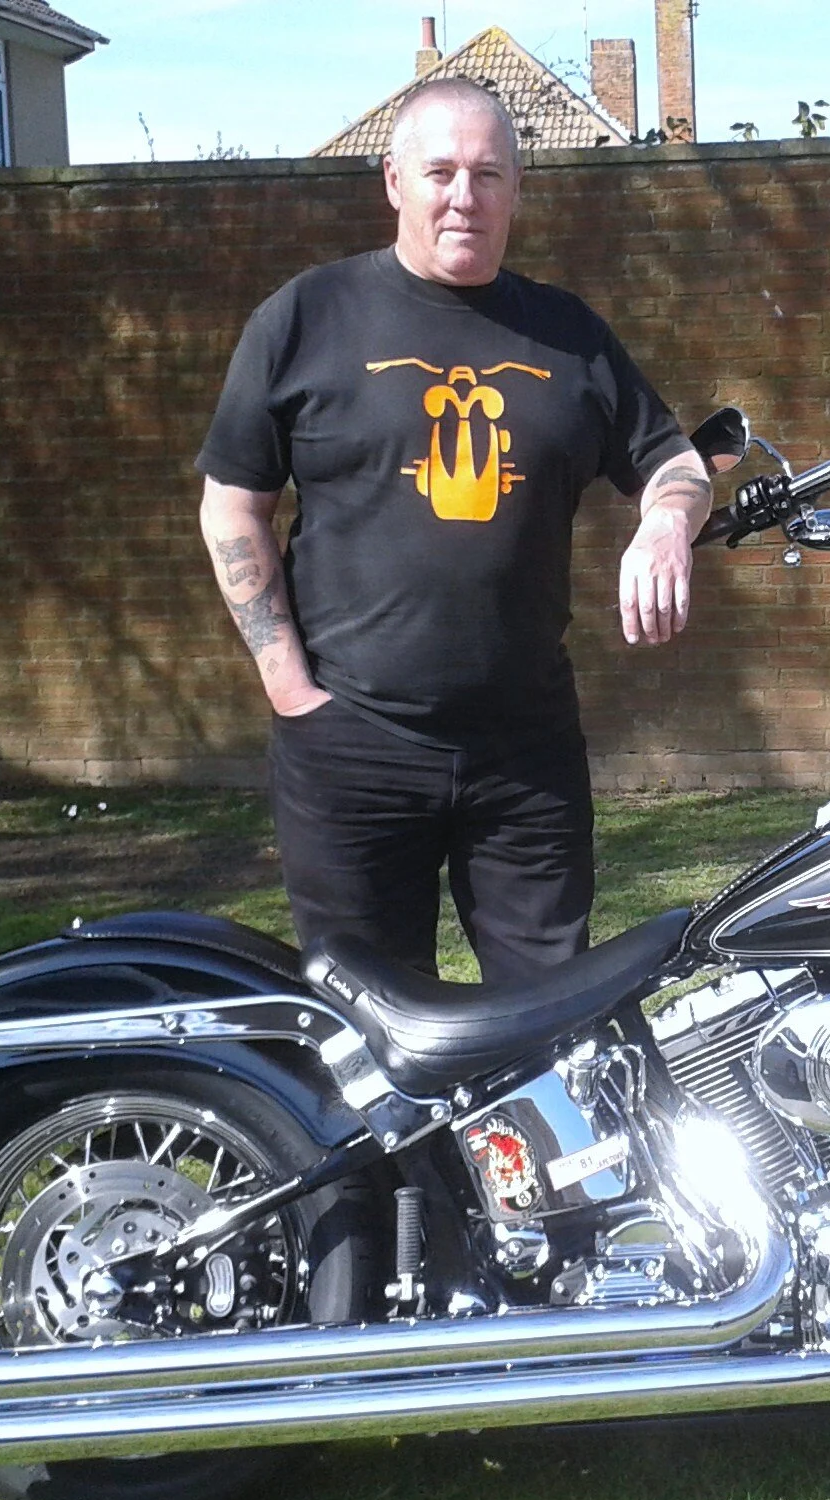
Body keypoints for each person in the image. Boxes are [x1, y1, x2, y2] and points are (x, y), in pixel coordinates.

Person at [194, 79, 710, 984]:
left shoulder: (568, 336)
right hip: (350, 741)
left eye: (488, 174)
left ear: (517, 189)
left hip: (525, 751)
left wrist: (666, 522)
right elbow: (232, 502)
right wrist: (289, 688)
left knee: (554, 1014)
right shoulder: (307, 318)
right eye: (440, 173)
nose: (463, 197)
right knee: (366, 1018)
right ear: (394, 180)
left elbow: (675, 460)